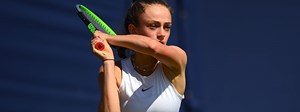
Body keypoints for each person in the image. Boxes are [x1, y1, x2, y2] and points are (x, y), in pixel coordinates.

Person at [91, 0, 187, 111]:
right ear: (133, 30)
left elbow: (153, 47)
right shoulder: (115, 71)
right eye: (153, 26)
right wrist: (108, 60)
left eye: (167, 27)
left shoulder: (177, 58)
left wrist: (108, 38)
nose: (162, 34)